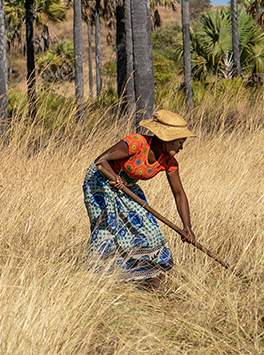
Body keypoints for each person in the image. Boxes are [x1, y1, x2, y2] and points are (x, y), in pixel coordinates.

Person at [83, 109, 195, 285]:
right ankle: (98, 279)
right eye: (179, 142)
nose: (181, 147)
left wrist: (187, 227)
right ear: (167, 139)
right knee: (108, 228)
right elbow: (101, 161)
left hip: (127, 186)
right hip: (101, 180)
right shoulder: (137, 142)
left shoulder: (169, 162)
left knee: (148, 230)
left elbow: (179, 194)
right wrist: (115, 178)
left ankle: (148, 275)